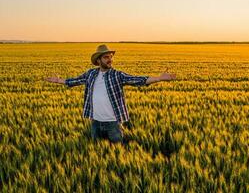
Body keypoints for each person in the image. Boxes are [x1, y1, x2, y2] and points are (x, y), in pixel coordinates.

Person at [45, 44, 176, 144]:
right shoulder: (91, 74)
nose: (110, 60)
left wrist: (159, 78)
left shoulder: (117, 75)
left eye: (111, 57)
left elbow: (138, 80)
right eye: (106, 57)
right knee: (96, 152)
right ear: (98, 60)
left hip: (113, 123)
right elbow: (74, 81)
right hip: (95, 122)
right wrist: (58, 81)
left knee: (117, 149)